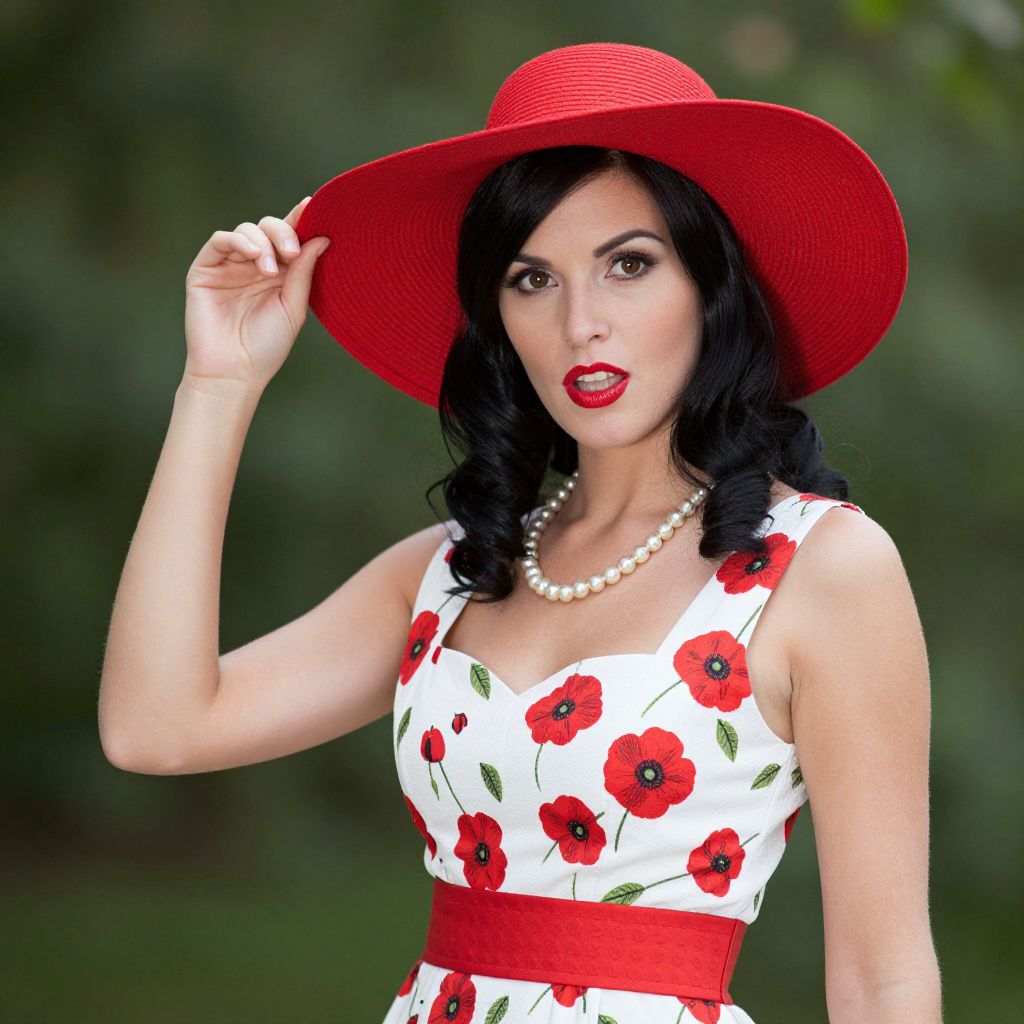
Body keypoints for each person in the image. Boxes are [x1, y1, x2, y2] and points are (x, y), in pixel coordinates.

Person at [98, 43, 941, 1024]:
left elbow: (882, 982)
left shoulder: (818, 568)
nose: (581, 321)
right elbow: (153, 728)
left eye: (629, 264)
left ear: (710, 289)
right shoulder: (452, 572)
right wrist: (218, 386)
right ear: (497, 316)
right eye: (532, 278)